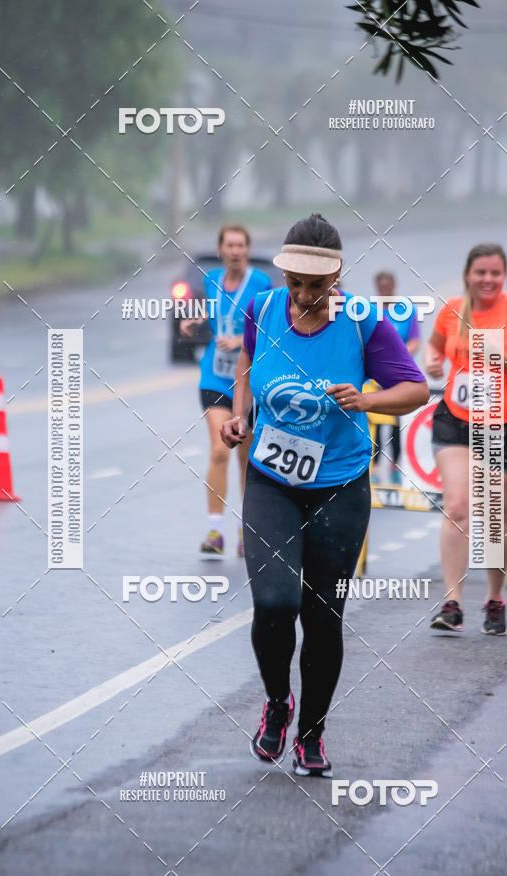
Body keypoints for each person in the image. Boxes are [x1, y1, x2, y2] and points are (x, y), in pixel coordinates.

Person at [220, 214, 428, 776]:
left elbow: (416, 389)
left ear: (337, 276)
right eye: (296, 283)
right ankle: (278, 703)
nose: (305, 295)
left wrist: (366, 401)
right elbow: (246, 361)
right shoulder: (263, 308)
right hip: (271, 480)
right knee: (274, 604)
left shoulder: (363, 322)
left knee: (322, 614)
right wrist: (240, 416)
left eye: (317, 285)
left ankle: (311, 734)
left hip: (339, 486)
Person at [425, 243, 507, 636]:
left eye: (495, 273)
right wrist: (431, 360)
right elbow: (434, 346)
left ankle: (495, 598)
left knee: (494, 517)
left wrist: (505, 359)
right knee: (458, 506)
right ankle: (452, 603)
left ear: (504, 275)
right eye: (481, 272)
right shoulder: (452, 310)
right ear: (468, 274)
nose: (488, 279)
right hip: (457, 420)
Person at [181, 225, 271, 558]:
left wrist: (240, 341)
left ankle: (247, 530)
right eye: (229, 245)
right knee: (220, 450)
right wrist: (194, 320)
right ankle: (214, 531)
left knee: (246, 458)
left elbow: (269, 326)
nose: (235, 251)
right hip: (215, 378)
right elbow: (214, 311)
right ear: (221, 250)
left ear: (247, 249)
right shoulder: (211, 280)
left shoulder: (261, 283)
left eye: (240, 245)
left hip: (247, 382)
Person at [372, 271, 421, 484]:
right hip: (375, 375)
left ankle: (395, 465)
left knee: (396, 419)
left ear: (394, 287)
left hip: (398, 374)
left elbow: (415, 341)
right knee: (374, 419)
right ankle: (373, 466)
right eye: (381, 289)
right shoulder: (370, 310)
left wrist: (398, 357)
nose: (385, 292)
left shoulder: (406, 310)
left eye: (388, 288)